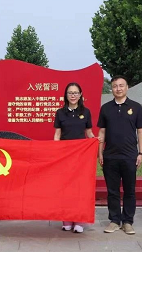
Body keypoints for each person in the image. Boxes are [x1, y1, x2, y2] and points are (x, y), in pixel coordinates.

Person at [97, 75, 142, 235]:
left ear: (127, 87)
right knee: (112, 191)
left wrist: (141, 153)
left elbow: (141, 131)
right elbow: (102, 132)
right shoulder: (106, 108)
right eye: (115, 86)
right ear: (111, 88)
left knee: (129, 190)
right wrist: (100, 153)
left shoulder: (136, 107)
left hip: (130, 156)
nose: (118, 89)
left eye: (121, 85)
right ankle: (114, 220)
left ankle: (127, 221)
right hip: (110, 156)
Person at [53, 82, 96, 233]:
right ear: (66, 95)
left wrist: (95, 141)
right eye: (70, 93)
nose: (73, 95)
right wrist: (55, 152)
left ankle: (79, 220)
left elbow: (89, 132)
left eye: (75, 93)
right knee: (65, 187)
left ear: (80, 95)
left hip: (81, 156)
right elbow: (57, 134)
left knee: (79, 187)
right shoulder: (60, 113)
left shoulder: (86, 112)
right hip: (65, 155)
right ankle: (66, 219)